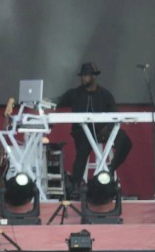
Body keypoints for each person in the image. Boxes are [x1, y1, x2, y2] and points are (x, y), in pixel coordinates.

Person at [56, 63, 132, 191]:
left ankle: (110, 168)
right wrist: (42, 101)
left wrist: (108, 128)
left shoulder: (105, 94)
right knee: (82, 151)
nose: (82, 78)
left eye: (85, 75)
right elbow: (57, 101)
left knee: (126, 142)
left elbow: (114, 113)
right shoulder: (74, 94)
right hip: (82, 133)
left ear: (93, 77)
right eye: (82, 76)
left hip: (103, 131)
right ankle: (76, 185)